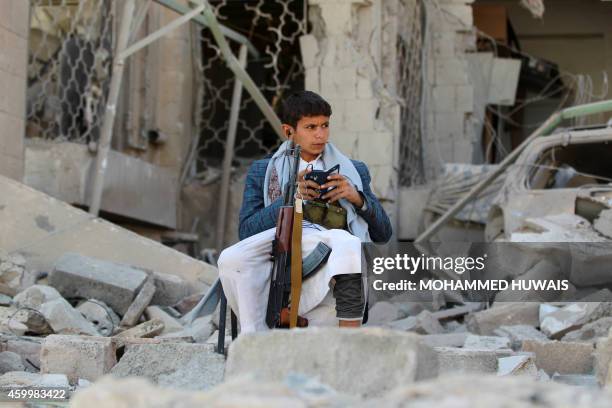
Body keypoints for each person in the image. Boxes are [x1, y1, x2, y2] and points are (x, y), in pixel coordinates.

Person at [218, 90, 392, 333]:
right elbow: (247, 231)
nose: (320, 134)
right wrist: (291, 197)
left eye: (325, 125)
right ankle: (253, 335)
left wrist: (357, 198)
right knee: (230, 258)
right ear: (289, 131)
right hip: (280, 242)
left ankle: (352, 340)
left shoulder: (354, 170)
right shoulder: (264, 170)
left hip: (328, 243)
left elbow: (384, 233)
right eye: (311, 127)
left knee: (348, 242)